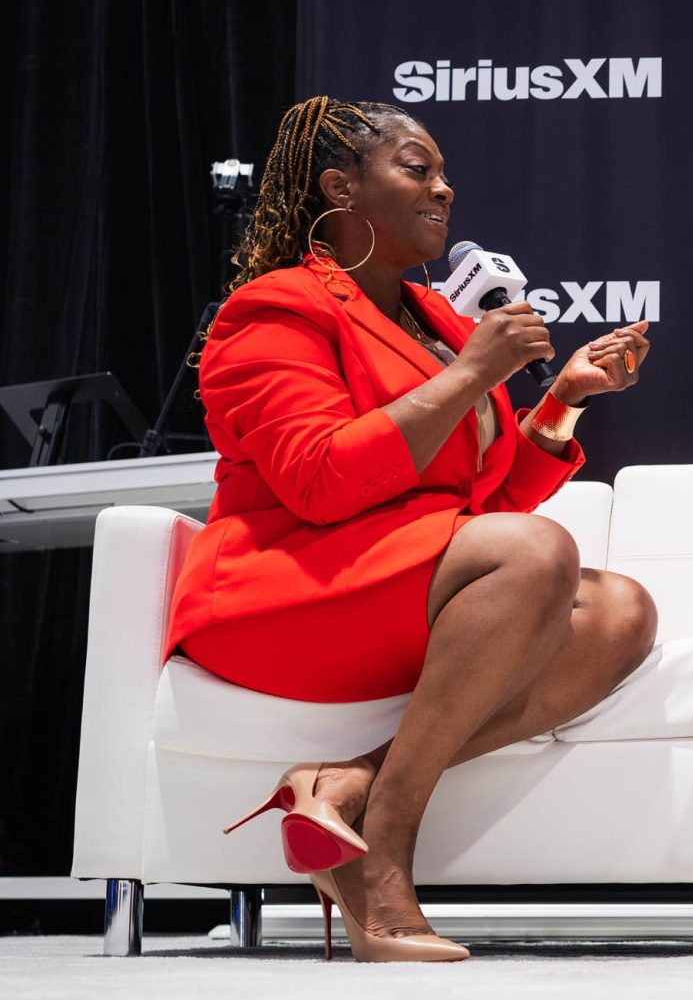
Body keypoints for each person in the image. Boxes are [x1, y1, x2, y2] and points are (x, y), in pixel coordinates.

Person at [166, 97, 658, 963]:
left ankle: (348, 785)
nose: (446, 187)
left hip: (394, 583)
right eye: (417, 168)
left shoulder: (437, 322)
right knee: (540, 555)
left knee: (621, 611)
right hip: (289, 595)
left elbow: (486, 516)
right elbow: (318, 480)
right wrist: (472, 374)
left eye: (442, 172)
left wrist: (565, 398)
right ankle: (384, 847)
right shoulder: (272, 312)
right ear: (339, 186)